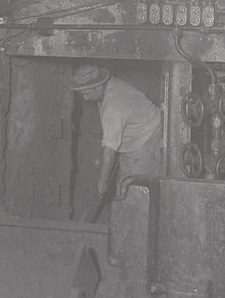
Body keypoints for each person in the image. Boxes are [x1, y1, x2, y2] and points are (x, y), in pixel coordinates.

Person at [70, 65, 164, 221]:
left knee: (130, 192)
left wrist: (102, 182)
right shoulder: (111, 83)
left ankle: (134, 226)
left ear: (99, 86)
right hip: (149, 124)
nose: (85, 99)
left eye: (86, 94)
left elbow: (109, 152)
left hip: (145, 139)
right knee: (127, 185)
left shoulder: (112, 109)